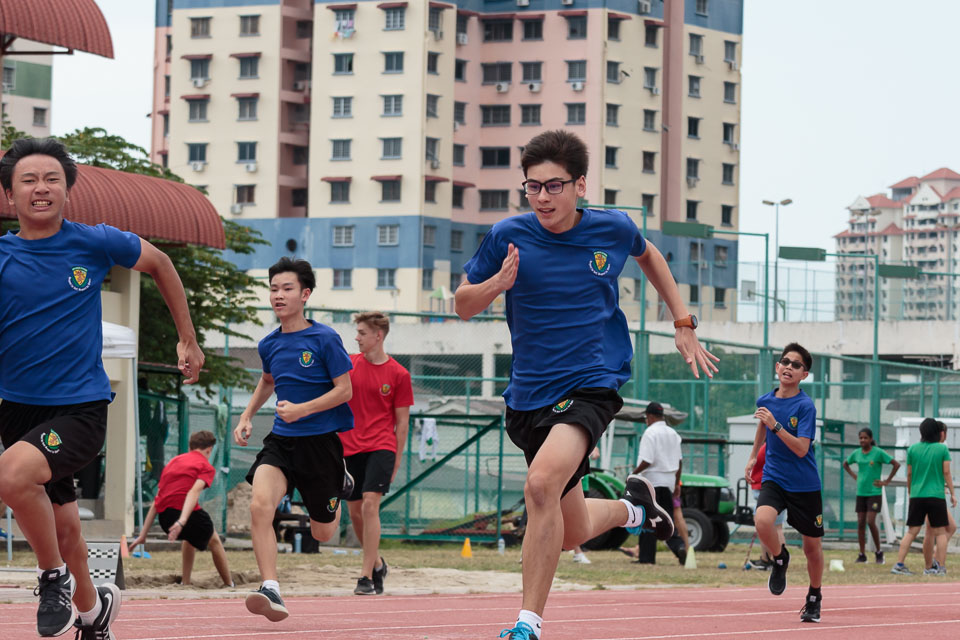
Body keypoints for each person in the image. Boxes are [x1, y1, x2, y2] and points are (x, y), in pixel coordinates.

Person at [456, 129, 718, 640]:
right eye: (533, 187)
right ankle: (635, 509)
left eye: (553, 186)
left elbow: (650, 255)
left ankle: (527, 624)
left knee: (539, 486)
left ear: (580, 185)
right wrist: (495, 284)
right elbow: (463, 304)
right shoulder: (507, 235)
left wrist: (682, 321)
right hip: (528, 396)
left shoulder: (612, 228)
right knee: (568, 529)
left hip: (591, 385)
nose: (542, 197)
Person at [0, 138, 203, 639]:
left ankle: (52, 579)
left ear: (67, 190)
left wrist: (187, 338)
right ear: (10, 194)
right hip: (17, 407)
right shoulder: (3, 256)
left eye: (52, 179)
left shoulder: (94, 242)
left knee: (11, 476)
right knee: (66, 530)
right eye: (29, 180)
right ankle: (94, 616)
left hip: (79, 409)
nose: (41, 188)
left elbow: (160, 264)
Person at [233, 257, 355, 622]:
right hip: (282, 441)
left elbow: (345, 390)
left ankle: (340, 482)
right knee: (260, 505)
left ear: (305, 294)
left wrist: (302, 409)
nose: (278, 295)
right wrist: (246, 415)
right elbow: (268, 381)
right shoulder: (268, 344)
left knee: (323, 532)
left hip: (321, 445)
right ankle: (270, 586)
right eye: (273, 289)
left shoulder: (325, 339)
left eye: (287, 288)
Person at [745, 343, 824, 623]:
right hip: (774, 477)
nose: (789, 367)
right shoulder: (765, 400)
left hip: (804, 485)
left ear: (804, 374)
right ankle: (780, 559)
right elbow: (762, 424)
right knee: (762, 521)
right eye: (785, 362)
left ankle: (814, 596)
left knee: (812, 549)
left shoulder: (805, 406)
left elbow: (802, 449)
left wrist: (776, 425)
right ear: (777, 367)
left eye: (796, 364)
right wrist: (753, 456)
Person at [340, 311, 414, 596]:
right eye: (357, 332)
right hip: (349, 447)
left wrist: (396, 460)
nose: (356, 338)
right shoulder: (348, 365)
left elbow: (402, 423)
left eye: (361, 333)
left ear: (378, 336)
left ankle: (366, 576)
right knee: (356, 513)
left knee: (370, 506)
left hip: (381, 446)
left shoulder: (399, 374)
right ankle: (379, 564)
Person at [128, 430, 233, 587]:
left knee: (190, 537)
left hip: (165, 519)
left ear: (190, 447)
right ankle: (229, 584)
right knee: (215, 540)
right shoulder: (206, 466)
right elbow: (193, 492)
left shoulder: (173, 462)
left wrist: (143, 535)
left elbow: (158, 500)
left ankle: (186, 581)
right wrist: (182, 521)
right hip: (181, 516)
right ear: (209, 450)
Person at [891, 418, 956, 576]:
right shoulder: (941, 449)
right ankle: (940, 567)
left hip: (917, 495)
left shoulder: (913, 449)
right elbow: (946, 472)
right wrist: (953, 493)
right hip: (936, 495)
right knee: (940, 532)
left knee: (911, 532)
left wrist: (910, 491)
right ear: (937, 432)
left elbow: (909, 473)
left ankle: (899, 564)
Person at [633, 403, 687, 565]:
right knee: (666, 519)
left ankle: (646, 558)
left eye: (646, 418)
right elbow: (679, 462)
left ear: (650, 416)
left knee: (648, 518)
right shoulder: (673, 433)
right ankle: (679, 546)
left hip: (652, 481)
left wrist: (633, 474)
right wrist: (676, 484)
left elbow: (647, 460)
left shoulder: (650, 433)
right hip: (668, 482)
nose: (646, 421)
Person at [842, 427, 899, 564]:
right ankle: (862, 554)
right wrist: (855, 476)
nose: (862, 440)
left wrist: (886, 481)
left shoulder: (878, 453)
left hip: (874, 492)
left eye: (865, 438)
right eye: (860, 438)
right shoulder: (857, 453)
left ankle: (879, 552)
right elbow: (845, 464)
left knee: (870, 521)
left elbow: (896, 464)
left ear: (871, 439)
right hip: (861, 492)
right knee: (860, 522)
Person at [922, 420, 956, 574]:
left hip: (930, 493)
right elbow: (944, 471)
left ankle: (934, 561)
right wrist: (950, 490)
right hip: (932, 494)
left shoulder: (939, 447)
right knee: (932, 531)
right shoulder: (939, 448)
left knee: (948, 527)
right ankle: (933, 564)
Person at [746, 442, 785, 569]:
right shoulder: (775, 445)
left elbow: (758, 461)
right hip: (775, 488)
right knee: (776, 526)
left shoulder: (771, 445)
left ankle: (770, 560)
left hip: (767, 489)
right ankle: (772, 559)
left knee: (768, 526)